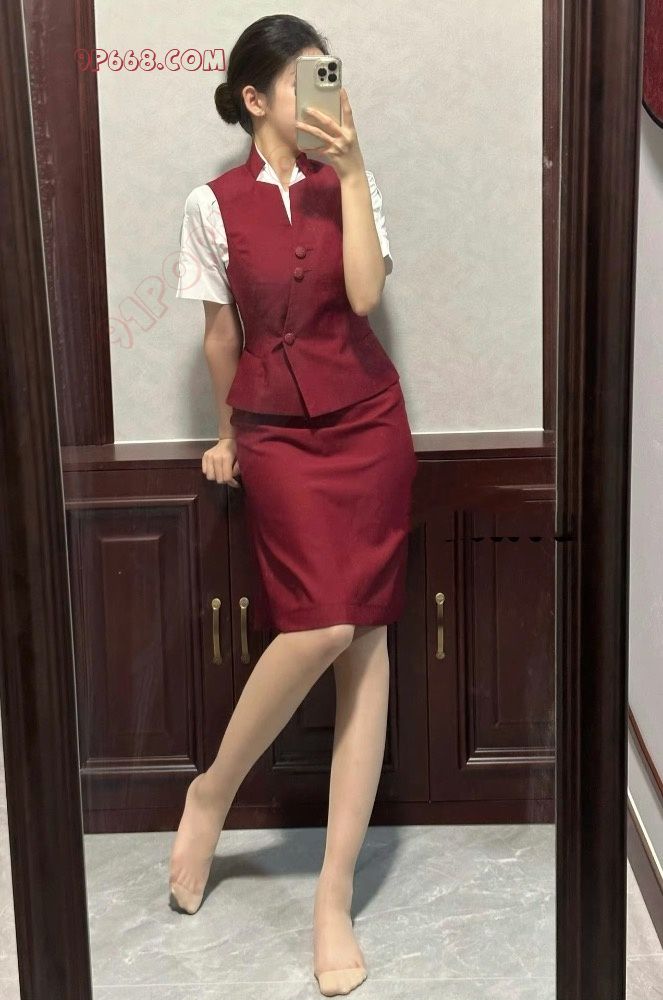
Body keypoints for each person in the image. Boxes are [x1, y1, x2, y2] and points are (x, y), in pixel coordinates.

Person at [169, 14, 417, 998]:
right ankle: (212, 792)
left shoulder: (350, 181)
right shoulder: (211, 203)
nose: (323, 91)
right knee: (319, 626)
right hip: (275, 431)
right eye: (302, 79)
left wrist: (352, 173)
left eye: (329, 74)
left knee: (366, 639)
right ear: (254, 98)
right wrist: (227, 432)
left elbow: (361, 298)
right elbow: (219, 335)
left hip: (369, 422)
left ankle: (332, 895)